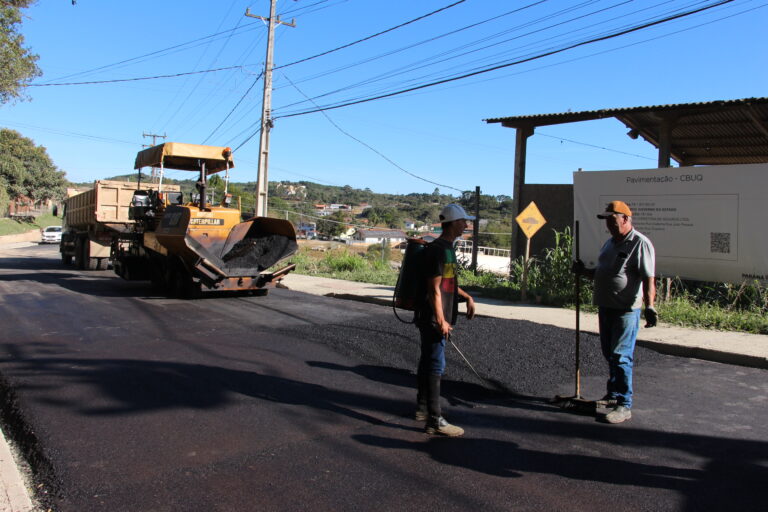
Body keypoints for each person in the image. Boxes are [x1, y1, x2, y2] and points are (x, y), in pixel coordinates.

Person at [573, 200, 657, 424]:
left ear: (625, 219)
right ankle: (613, 394)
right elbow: (602, 274)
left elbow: (649, 278)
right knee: (610, 354)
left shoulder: (640, 243)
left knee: (621, 356)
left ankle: (624, 404)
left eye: (612, 220)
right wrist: (583, 272)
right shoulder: (609, 243)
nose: (608, 225)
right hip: (606, 308)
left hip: (626, 310)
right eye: (606, 221)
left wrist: (649, 306)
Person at [414, 203, 476, 437]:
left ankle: (422, 408)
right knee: (435, 365)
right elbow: (434, 290)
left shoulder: (447, 248)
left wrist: (467, 297)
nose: (466, 225)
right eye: (463, 222)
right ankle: (435, 420)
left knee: (428, 361)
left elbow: (449, 284)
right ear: (452, 223)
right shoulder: (439, 250)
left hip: (437, 314)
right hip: (432, 316)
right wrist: (441, 320)